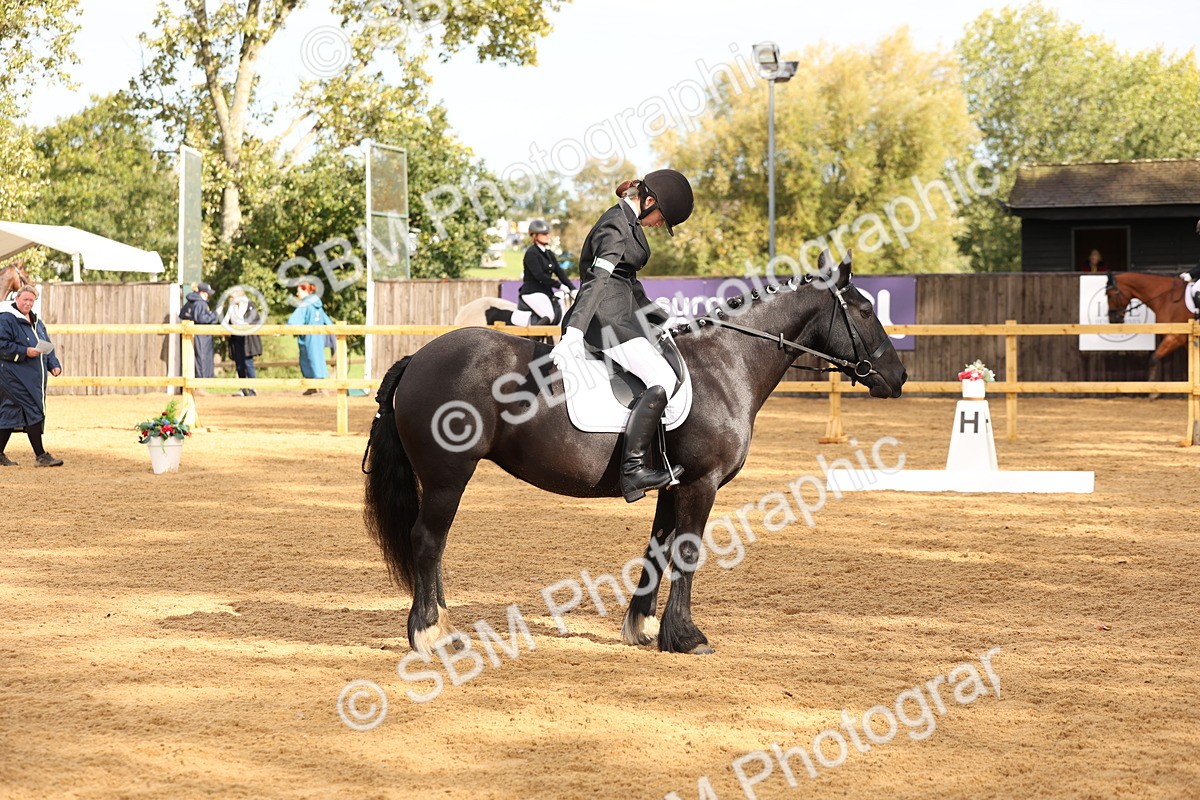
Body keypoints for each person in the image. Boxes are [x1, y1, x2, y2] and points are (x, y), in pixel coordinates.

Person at [554, 169, 694, 503]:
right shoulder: (615, 225)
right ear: (649, 201)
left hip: (624, 315)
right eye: (662, 217)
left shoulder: (630, 224)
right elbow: (598, 281)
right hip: (604, 320)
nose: (661, 224)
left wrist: (660, 317)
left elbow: (627, 281)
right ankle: (633, 472)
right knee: (660, 378)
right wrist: (574, 332)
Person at [0, 285, 64, 466]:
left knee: (11, 412)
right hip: (12, 376)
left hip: (32, 377)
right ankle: (41, 456)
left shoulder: (37, 322)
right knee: (33, 410)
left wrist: (54, 364)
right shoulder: (6, 320)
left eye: (31, 300)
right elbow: (2, 345)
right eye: (25, 299)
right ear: (16, 299)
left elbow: (46, 345)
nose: (28, 303)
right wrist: (25, 351)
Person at [511, 219, 575, 326]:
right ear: (535, 236)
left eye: (548, 233)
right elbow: (540, 276)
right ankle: (532, 342)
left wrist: (572, 288)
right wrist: (559, 285)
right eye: (544, 234)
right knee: (549, 315)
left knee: (561, 315)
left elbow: (559, 272)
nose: (548, 236)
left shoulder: (549, 253)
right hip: (532, 292)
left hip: (545, 292)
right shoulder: (531, 253)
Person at [287, 282, 331, 395]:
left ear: (306, 291)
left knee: (312, 359)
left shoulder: (306, 304)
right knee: (315, 358)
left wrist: (285, 329)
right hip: (318, 336)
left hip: (309, 336)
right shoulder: (317, 304)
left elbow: (296, 319)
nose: (297, 294)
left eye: (299, 291)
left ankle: (320, 387)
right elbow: (326, 319)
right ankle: (313, 386)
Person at [224, 288, 262, 397]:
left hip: (247, 339)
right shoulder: (232, 308)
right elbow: (226, 320)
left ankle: (252, 388)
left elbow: (255, 320)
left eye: (233, 296)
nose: (231, 298)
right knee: (239, 364)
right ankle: (243, 388)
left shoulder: (250, 305)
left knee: (248, 363)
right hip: (236, 337)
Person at [179, 282, 219, 382]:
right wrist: (214, 315)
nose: (208, 295)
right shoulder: (200, 303)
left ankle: (195, 381)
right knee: (202, 358)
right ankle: (201, 382)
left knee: (193, 358)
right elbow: (201, 319)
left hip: (190, 334)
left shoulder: (190, 302)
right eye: (206, 293)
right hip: (201, 335)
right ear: (201, 292)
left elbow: (182, 314)